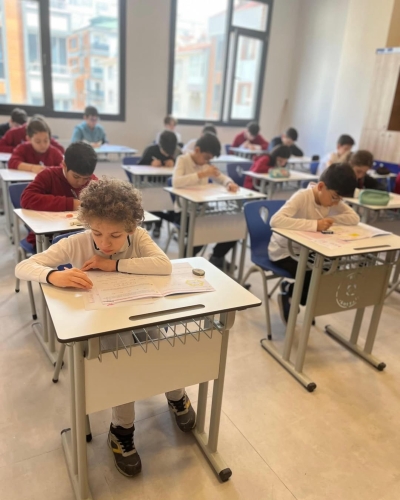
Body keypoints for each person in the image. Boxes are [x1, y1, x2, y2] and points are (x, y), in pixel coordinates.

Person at [15, 177, 196, 478]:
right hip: (99, 326)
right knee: (120, 362)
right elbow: (24, 266)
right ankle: (121, 429)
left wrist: (114, 264)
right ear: (88, 224)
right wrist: (53, 275)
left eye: (115, 235)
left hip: (137, 314)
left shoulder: (138, 237)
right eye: (97, 233)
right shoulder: (78, 241)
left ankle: (176, 395)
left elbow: (163, 265)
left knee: (158, 343)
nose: (104, 243)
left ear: (130, 228)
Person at [268, 163, 360, 324]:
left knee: (330, 271)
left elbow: (354, 218)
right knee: (312, 275)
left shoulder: (331, 197)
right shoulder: (303, 196)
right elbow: (275, 221)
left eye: (339, 199)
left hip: (308, 250)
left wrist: (331, 219)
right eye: (334, 197)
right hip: (284, 252)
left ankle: (291, 292)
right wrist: (315, 224)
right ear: (321, 186)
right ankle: (291, 293)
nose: (335, 203)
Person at [173, 132, 239, 269]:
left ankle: (216, 257)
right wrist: (202, 174)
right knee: (201, 232)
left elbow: (222, 177)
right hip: (184, 211)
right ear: (197, 150)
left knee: (234, 227)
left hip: (203, 209)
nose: (207, 161)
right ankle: (185, 261)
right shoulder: (183, 160)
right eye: (206, 158)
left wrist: (229, 183)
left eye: (210, 159)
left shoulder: (206, 164)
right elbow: (176, 182)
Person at [21, 142, 98, 246]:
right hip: (48, 238)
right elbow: (27, 198)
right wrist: (71, 204)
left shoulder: (92, 181)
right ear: (64, 165)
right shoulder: (48, 176)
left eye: (86, 178)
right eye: (76, 177)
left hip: (80, 237)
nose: (81, 182)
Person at [138, 130, 178, 237]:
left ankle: (157, 225)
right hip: (150, 185)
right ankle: (153, 222)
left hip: (168, 186)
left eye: (169, 153)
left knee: (166, 203)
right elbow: (139, 166)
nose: (167, 154)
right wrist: (150, 163)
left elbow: (181, 166)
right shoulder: (151, 150)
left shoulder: (177, 151)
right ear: (160, 145)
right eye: (165, 151)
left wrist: (174, 163)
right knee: (154, 201)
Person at [0, 115, 65, 154]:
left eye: (45, 141)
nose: (42, 144)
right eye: (38, 141)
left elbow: (61, 150)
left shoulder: (43, 135)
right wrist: (19, 150)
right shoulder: (14, 132)